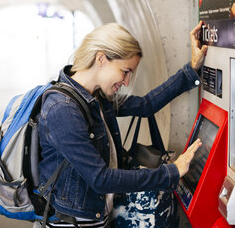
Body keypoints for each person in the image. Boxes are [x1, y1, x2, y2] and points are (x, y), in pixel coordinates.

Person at [34, 21, 207, 227]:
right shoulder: (63, 109)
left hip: (94, 216)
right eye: (125, 71)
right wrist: (171, 172)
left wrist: (192, 69)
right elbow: (101, 179)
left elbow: (145, 105)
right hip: (73, 222)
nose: (126, 81)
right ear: (101, 59)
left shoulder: (95, 97)